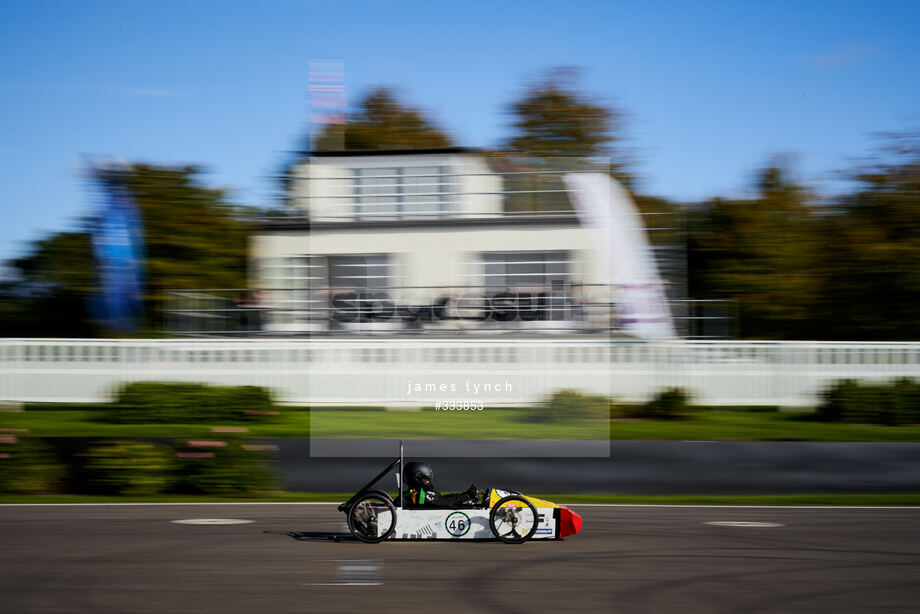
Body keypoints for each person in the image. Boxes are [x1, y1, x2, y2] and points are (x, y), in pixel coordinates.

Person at [401, 460, 479, 508]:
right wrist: (466, 496)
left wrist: (464, 494)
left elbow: (442, 498)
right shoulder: (420, 495)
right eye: (425, 479)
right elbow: (445, 503)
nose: (428, 482)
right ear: (417, 478)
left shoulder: (409, 494)